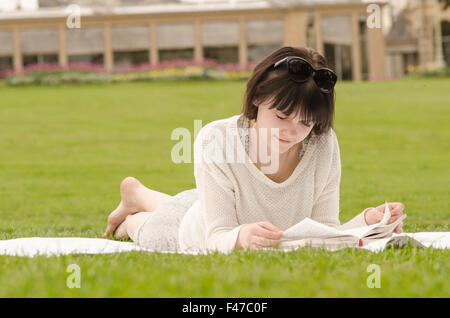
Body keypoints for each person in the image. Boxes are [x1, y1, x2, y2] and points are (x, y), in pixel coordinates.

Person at [102, 46, 405, 254]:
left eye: (307, 122)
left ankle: (138, 193)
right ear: (258, 98)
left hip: (217, 202)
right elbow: (216, 234)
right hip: (194, 228)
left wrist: (368, 223)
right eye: (282, 117)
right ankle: (134, 203)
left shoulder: (322, 144)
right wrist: (240, 237)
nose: (293, 133)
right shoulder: (216, 140)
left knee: (187, 202)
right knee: (139, 227)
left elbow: (322, 232)